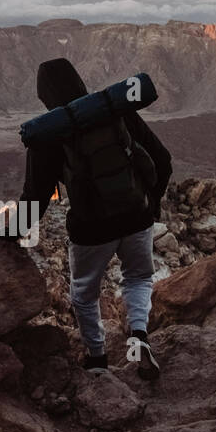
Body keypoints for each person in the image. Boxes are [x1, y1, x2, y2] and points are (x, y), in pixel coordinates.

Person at [12, 57, 172, 378]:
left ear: (45, 97)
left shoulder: (49, 135)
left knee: (84, 295)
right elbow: (162, 159)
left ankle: (97, 359)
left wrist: (8, 234)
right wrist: (151, 204)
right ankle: (138, 337)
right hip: (136, 214)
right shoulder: (114, 110)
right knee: (138, 277)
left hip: (91, 229)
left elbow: (35, 197)